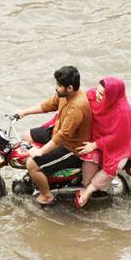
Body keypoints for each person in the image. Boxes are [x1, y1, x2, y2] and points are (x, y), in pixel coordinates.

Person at [14, 66, 92, 205]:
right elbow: (48, 105)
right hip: (58, 134)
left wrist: (40, 152)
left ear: (69, 87)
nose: (56, 87)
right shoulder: (65, 95)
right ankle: (42, 175)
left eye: (59, 85)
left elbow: (62, 136)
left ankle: (46, 195)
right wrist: (24, 112)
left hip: (71, 148)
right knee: (26, 136)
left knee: (32, 164)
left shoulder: (77, 107)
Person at [73, 76, 131, 209]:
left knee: (114, 167)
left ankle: (87, 192)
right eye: (97, 90)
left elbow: (118, 137)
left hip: (121, 142)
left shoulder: (124, 112)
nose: (96, 95)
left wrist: (94, 145)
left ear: (112, 96)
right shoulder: (91, 95)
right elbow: (79, 106)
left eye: (102, 94)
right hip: (97, 133)